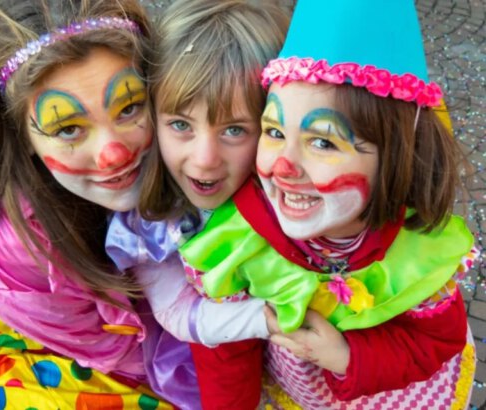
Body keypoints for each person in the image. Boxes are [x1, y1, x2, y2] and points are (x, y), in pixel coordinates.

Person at [0, 0, 198, 408]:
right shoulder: (23, 244)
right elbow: (114, 352)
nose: (113, 154)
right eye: (68, 128)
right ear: (20, 135)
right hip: (49, 333)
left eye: (129, 107)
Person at [178, 0, 478, 408]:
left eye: (322, 141)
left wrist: (348, 357)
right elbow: (226, 351)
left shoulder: (418, 252)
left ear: (397, 158)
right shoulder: (238, 241)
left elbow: (435, 341)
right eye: (274, 132)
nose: (283, 166)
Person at [106, 1, 288, 408]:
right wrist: (272, 320)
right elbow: (176, 311)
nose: (205, 159)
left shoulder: (295, 191)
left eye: (235, 130)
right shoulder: (152, 218)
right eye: (180, 125)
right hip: (218, 349)